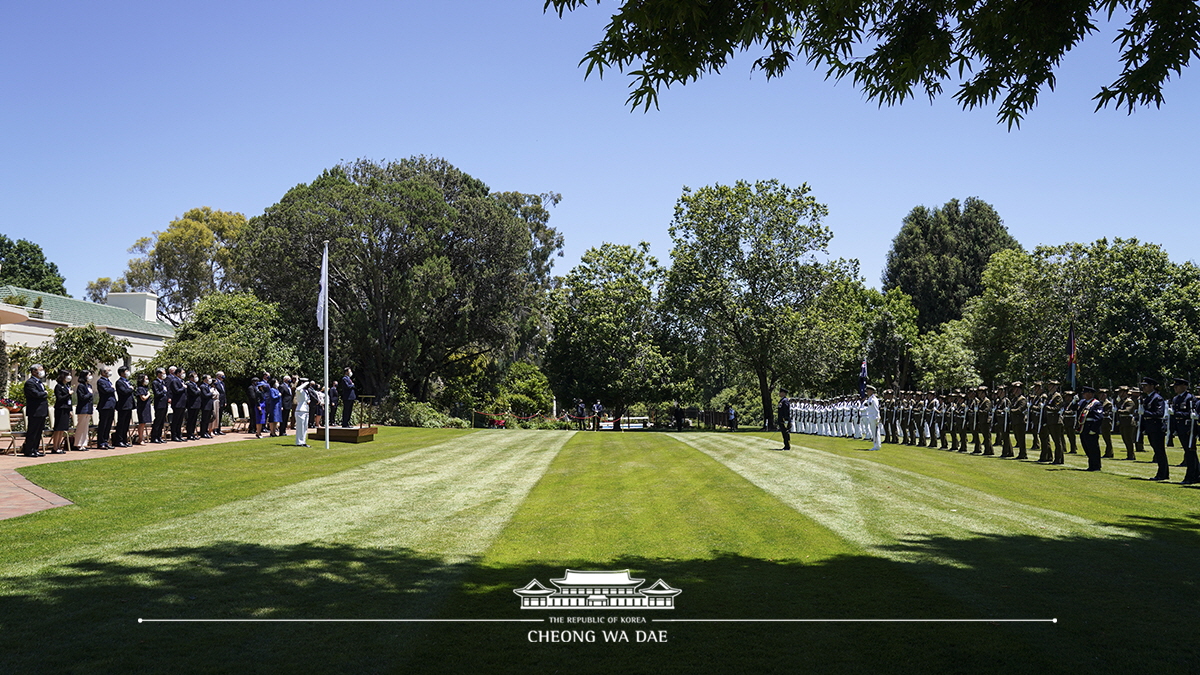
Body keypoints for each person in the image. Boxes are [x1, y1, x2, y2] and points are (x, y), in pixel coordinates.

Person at [1139, 377, 1169, 481]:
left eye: (1146, 385)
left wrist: (1145, 413)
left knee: (1159, 451)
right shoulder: (1147, 398)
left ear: (1152, 386)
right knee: (1157, 451)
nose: (1144, 387)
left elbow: (1159, 414)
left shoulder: (1157, 398)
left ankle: (1162, 474)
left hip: (1157, 427)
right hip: (1150, 427)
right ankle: (1163, 473)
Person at [1170, 378, 1198, 484]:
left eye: (1177, 386)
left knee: (1190, 453)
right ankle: (1196, 474)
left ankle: (1191, 476)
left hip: (1188, 429)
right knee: (1189, 453)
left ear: (1184, 386)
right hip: (1180, 428)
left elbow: (1190, 414)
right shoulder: (1176, 399)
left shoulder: (1190, 398)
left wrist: (1176, 414)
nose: (1175, 388)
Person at [22, 365, 48, 457]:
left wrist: (44, 393)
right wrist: (44, 394)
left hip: (42, 411)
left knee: (38, 432)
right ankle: (29, 450)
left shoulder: (39, 382)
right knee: (33, 432)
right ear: (33, 372)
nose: (42, 371)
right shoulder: (30, 383)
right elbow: (35, 394)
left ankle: (35, 449)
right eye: (40, 370)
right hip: (35, 411)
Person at [1077, 386, 1105, 471]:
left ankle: (1096, 466)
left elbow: (1099, 417)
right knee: (1086, 446)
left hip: (1090, 427)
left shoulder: (1096, 404)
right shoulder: (1083, 403)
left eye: (1085, 393)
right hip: (1083, 427)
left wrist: (1094, 429)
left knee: (1093, 448)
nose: (1084, 395)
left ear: (1090, 394)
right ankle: (1091, 465)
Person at [50, 369, 73, 454]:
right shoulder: (58, 386)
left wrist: (70, 410)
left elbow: (69, 400)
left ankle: (59, 446)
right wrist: (68, 394)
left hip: (66, 408)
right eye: (67, 375)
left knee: (62, 429)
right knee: (58, 429)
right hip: (60, 409)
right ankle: (55, 447)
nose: (69, 377)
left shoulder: (67, 386)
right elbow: (60, 398)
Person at [112, 365, 134, 447]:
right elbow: (123, 392)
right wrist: (131, 389)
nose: (128, 372)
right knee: (121, 423)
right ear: (121, 373)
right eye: (126, 371)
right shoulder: (119, 382)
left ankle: (125, 440)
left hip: (129, 405)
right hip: (123, 405)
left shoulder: (127, 382)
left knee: (126, 424)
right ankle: (119, 440)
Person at [95, 367, 117, 450]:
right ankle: (101, 443)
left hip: (111, 405)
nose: (109, 372)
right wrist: (112, 389)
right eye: (108, 370)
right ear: (103, 373)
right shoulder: (101, 381)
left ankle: (106, 441)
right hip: (105, 406)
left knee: (108, 425)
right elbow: (105, 390)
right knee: (103, 425)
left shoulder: (108, 381)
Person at [74, 369, 93, 451]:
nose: (90, 377)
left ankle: (84, 444)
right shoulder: (81, 386)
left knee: (86, 428)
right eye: (88, 375)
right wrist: (89, 394)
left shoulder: (89, 386)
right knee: (81, 427)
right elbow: (82, 398)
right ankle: (78, 444)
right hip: (83, 409)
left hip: (88, 409)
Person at [1117, 385, 1137, 460]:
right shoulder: (1121, 401)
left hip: (1128, 422)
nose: (1119, 393)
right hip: (1123, 421)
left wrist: (1118, 411)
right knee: (1125, 439)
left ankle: (1131, 455)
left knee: (1128, 439)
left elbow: (1128, 411)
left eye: (1120, 392)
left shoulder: (1129, 401)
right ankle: (1129, 455)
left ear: (1125, 392)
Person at [168, 366, 187, 443]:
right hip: (177, 403)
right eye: (182, 373)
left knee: (180, 420)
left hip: (182, 403)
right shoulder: (174, 381)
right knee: (175, 420)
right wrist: (183, 388)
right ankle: (174, 435)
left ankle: (179, 435)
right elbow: (176, 390)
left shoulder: (182, 381)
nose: (183, 374)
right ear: (178, 373)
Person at [293, 379, 314, 447]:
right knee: (300, 427)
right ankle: (299, 442)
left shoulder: (306, 391)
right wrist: (305, 383)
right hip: (300, 411)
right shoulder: (299, 390)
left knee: (305, 427)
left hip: (306, 410)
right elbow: (298, 389)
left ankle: (303, 441)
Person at [151, 368, 169, 443]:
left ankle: (159, 436)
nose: (164, 375)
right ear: (158, 374)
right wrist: (163, 391)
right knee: (158, 420)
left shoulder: (163, 382)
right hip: (159, 404)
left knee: (162, 421)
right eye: (163, 373)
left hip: (164, 403)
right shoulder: (155, 382)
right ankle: (154, 436)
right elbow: (157, 393)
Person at [134, 373, 152, 444]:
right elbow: (143, 398)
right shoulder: (140, 388)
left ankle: (141, 438)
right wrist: (148, 394)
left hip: (146, 407)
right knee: (141, 423)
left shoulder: (145, 388)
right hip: (142, 408)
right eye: (146, 379)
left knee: (144, 423)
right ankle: (140, 438)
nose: (147, 380)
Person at [184, 371, 202, 440]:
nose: (196, 378)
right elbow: (194, 393)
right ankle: (189, 434)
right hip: (192, 404)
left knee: (194, 420)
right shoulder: (190, 384)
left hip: (197, 404)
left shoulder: (195, 384)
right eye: (195, 377)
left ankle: (192, 433)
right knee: (190, 420)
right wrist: (199, 391)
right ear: (191, 378)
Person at [863, 385, 881, 450]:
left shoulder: (874, 399)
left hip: (874, 417)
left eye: (868, 391)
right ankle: (875, 445)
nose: (867, 392)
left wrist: (877, 417)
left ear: (871, 391)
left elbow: (876, 409)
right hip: (871, 416)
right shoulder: (870, 398)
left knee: (876, 432)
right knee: (874, 432)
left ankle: (877, 446)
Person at [198, 375, 214, 439]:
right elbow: (205, 395)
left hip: (210, 405)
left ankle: (206, 431)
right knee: (204, 419)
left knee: (208, 419)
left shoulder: (209, 386)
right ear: (205, 379)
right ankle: (203, 432)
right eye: (209, 378)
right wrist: (211, 392)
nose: (210, 379)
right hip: (205, 405)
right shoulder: (202, 386)